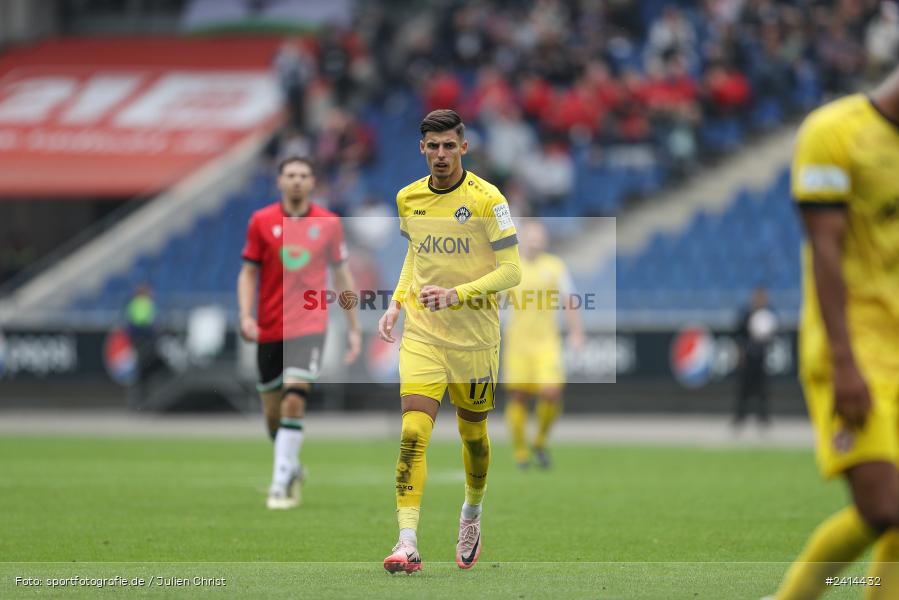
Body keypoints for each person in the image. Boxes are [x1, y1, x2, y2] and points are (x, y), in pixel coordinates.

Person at [768, 66, 899, 599]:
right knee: (883, 506)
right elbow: (825, 251)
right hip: (853, 348)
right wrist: (844, 362)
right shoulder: (834, 132)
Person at [377, 109, 522, 573]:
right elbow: (414, 256)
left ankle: (472, 514)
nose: (441, 154)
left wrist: (457, 294)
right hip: (423, 333)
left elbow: (513, 271)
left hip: (475, 341)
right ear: (422, 149)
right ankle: (406, 541)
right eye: (432, 146)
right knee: (413, 433)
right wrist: (398, 302)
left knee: (473, 435)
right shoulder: (408, 197)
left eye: (448, 145)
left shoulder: (488, 199)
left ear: (464, 147)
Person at [237, 156, 361, 510]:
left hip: (309, 324)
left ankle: (278, 486)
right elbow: (247, 273)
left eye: (303, 175)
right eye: (290, 175)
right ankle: (291, 467)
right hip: (269, 326)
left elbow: (342, 276)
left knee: (295, 398)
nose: (296, 181)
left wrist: (353, 327)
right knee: (273, 415)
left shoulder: (329, 223)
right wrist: (245, 315)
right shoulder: (261, 221)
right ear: (279, 181)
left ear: (312, 182)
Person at [503, 220, 585, 470]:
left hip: (546, 343)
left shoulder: (555, 266)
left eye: (540, 237)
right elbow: (493, 302)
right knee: (518, 396)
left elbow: (569, 301)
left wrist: (576, 332)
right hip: (517, 343)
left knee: (551, 392)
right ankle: (520, 452)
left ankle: (539, 440)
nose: (536, 241)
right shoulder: (510, 267)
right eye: (532, 236)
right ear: (522, 239)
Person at [732, 286, 777, 431]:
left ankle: (763, 418)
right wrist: (741, 354)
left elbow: (773, 335)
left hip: (761, 358)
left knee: (762, 390)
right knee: (743, 390)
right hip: (748, 357)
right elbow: (739, 336)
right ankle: (740, 417)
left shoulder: (768, 314)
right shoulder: (746, 314)